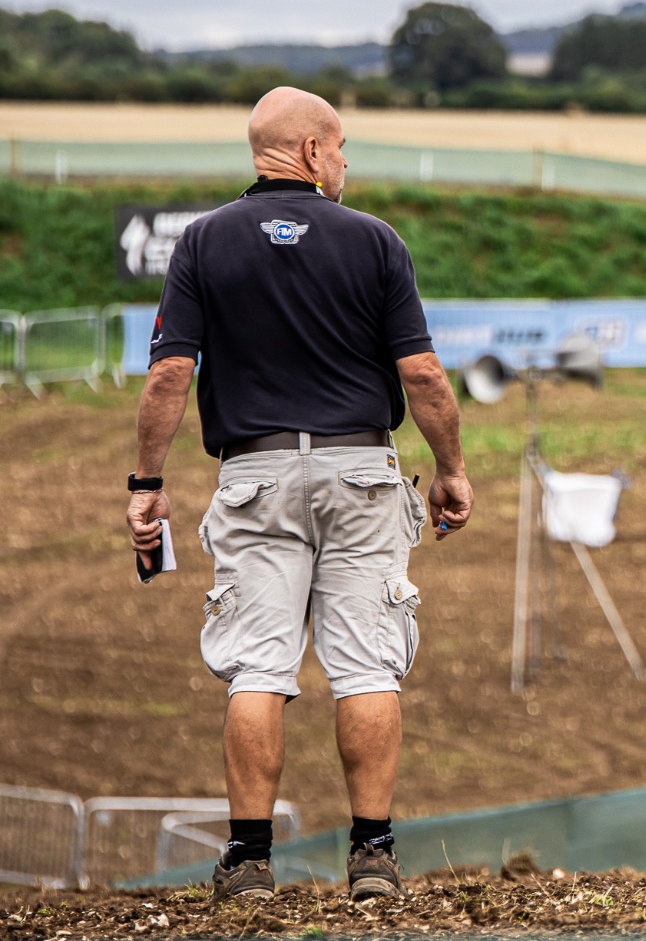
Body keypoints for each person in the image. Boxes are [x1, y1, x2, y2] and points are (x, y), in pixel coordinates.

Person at [123, 86, 473, 902]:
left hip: (256, 477)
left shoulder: (203, 241)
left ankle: (249, 862)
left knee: (257, 669)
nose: (345, 162)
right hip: (361, 472)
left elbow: (170, 374)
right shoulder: (375, 240)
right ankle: (374, 856)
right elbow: (422, 374)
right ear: (313, 151)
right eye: (341, 147)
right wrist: (451, 468)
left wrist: (147, 483)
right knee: (368, 668)